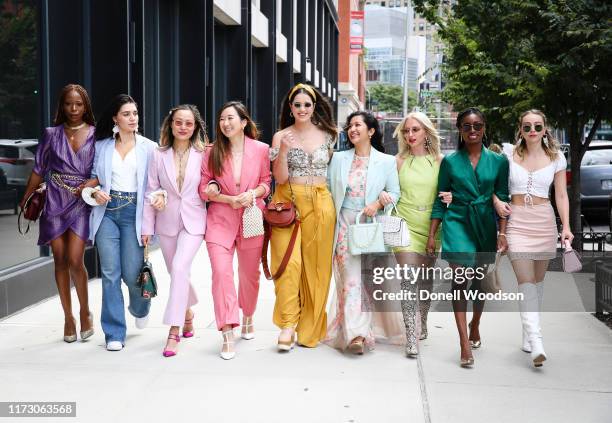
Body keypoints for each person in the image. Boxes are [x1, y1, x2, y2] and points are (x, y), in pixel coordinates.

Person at [427, 107, 509, 367]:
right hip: (458, 221)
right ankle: (464, 342)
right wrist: (432, 235)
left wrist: (502, 232)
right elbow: (440, 200)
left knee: (480, 282)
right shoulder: (450, 162)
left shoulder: (498, 161)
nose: (472, 131)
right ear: (459, 130)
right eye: (467, 126)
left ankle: (476, 324)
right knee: (461, 280)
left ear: (484, 128)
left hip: (484, 222)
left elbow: (503, 199)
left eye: (477, 126)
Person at [494, 110, 572, 367]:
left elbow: (561, 195)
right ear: (520, 129)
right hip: (517, 222)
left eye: (537, 126)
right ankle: (537, 341)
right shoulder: (508, 155)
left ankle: (528, 335)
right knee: (525, 282)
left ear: (545, 129)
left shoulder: (557, 158)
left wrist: (566, 227)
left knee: (537, 283)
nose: (532, 131)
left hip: (544, 221)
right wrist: (497, 203)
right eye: (527, 127)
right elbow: (496, 188)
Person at [20, 84, 96, 343]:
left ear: (85, 106)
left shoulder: (97, 135)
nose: (73, 109)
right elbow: (39, 169)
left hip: (81, 202)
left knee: (76, 260)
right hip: (54, 200)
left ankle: (85, 311)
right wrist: (26, 197)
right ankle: (68, 317)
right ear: (61, 106)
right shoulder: (51, 134)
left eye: (79, 104)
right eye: (68, 104)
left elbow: (101, 172)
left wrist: (92, 185)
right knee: (60, 259)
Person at [199, 101, 271, 360]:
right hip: (220, 220)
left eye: (230, 118)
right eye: (221, 119)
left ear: (243, 122)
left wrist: (252, 193)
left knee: (249, 274)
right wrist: (219, 195)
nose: (225, 123)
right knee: (221, 274)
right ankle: (227, 331)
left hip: (251, 218)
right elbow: (204, 187)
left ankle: (248, 315)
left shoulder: (262, 150)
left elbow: (266, 183)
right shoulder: (211, 151)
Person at [325, 111, 402, 354]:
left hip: (371, 226)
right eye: (350, 125)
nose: (352, 129)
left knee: (367, 281)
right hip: (345, 224)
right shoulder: (337, 159)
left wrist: (379, 203)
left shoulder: (387, 161)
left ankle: (363, 329)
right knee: (350, 280)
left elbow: (395, 193)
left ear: (371, 131)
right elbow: (328, 190)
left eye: (358, 125)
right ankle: (356, 335)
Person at [269, 83, 337, 351]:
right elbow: (280, 178)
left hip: (321, 204)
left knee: (317, 268)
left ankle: (309, 329)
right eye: (297, 105)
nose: (302, 109)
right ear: (290, 107)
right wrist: (284, 151)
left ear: (314, 106)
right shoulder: (280, 136)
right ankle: (287, 325)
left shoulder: (329, 134)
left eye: (307, 104)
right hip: (287, 202)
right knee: (289, 264)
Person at [379, 112, 451, 357]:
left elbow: (450, 193)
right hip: (404, 222)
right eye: (406, 130)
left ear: (426, 132)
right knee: (408, 280)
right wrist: (382, 196)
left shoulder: (441, 161)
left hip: (432, 226)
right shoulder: (397, 161)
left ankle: (422, 320)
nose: (410, 135)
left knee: (425, 281)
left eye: (415, 130)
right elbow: (385, 189)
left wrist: (452, 198)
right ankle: (411, 335)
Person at [88, 94, 157, 351]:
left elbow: (155, 186)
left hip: (134, 213)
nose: (132, 118)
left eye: (135, 113)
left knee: (131, 274)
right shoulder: (102, 146)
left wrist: (149, 224)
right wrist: (95, 192)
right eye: (126, 114)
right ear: (116, 118)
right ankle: (114, 333)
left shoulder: (149, 147)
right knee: (110, 274)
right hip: (107, 212)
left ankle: (140, 306)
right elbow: (94, 178)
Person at [142, 104, 209, 358]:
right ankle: (188, 312)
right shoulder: (158, 154)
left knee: (180, 268)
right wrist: (147, 226)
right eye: (179, 122)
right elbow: (151, 189)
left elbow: (210, 183)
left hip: (194, 221)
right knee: (175, 272)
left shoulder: (204, 154)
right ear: (171, 125)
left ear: (195, 127)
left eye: (188, 123)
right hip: (166, 221)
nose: (183, 127)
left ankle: (173, 330)